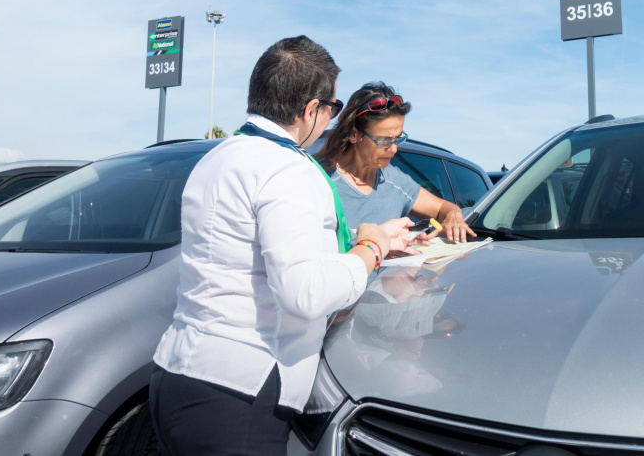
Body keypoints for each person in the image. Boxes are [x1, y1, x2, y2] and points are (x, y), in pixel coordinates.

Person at [148, 36, 420, 455]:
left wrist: (370, 244)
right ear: (311, 110)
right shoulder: (288, 169)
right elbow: (305, 293)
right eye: (332, 107)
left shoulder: (217, 157)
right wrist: (372, 248)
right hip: (240, 392)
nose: (330, 118)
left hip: (176, 374)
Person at [317, 82, 477, 243]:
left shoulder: (394, 180)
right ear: (354, 134)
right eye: (384, 141)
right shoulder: (319, 179)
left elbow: (443, 207)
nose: (394, 149)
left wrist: (454, 216)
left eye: (398, 138)